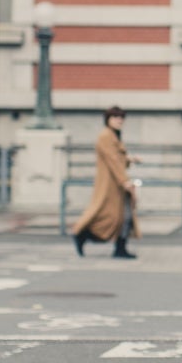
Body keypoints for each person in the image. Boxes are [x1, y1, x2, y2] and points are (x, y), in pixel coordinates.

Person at [71, 106, 139, 259]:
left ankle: (119, 247)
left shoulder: (114, 136)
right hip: (110, 186)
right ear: (108, 120)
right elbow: (112, 160)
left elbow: (118, 159)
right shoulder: (106, 136)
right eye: (115, 117)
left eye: (121, 118)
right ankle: (83, 234)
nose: (119, 120)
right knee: (108, 217)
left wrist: (130, 159)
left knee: (122, 216)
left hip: (116, 185)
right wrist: (125, 181)